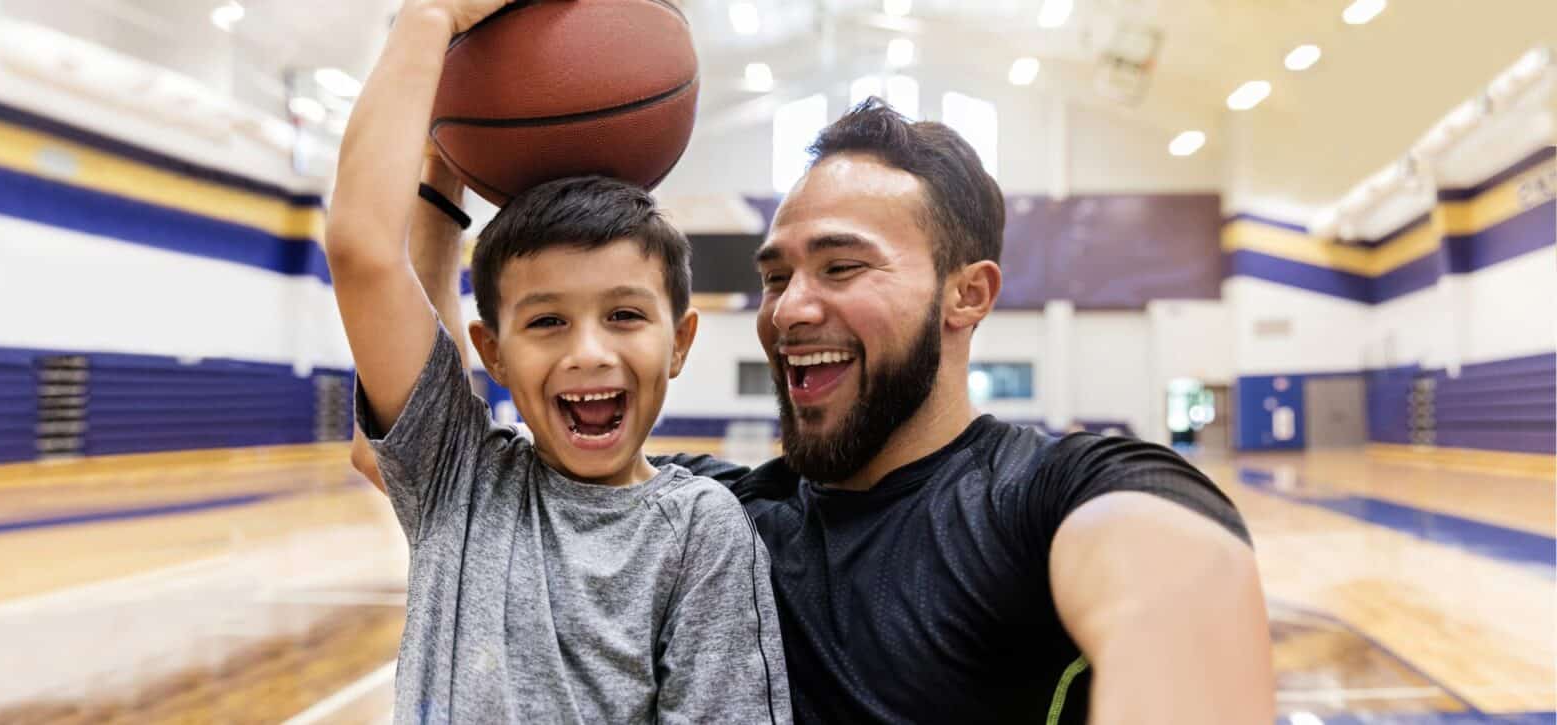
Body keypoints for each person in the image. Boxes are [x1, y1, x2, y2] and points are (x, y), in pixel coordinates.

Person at [359, 98, 1274, 724]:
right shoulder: (719, 514)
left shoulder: (1048, 494)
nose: (790, 307)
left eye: (841, 267)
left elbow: (1179, 582)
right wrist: (447, 194)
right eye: (775, 275)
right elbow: (429, 434)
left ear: (968, 294)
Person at [324, 1, 791, 722]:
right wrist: (431, 24)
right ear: (492, 354)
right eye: (546, 321)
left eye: (625, 315)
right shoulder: (461, 482)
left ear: (681, 341)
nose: (588, 351)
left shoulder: (702, 529)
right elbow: (363, 249)